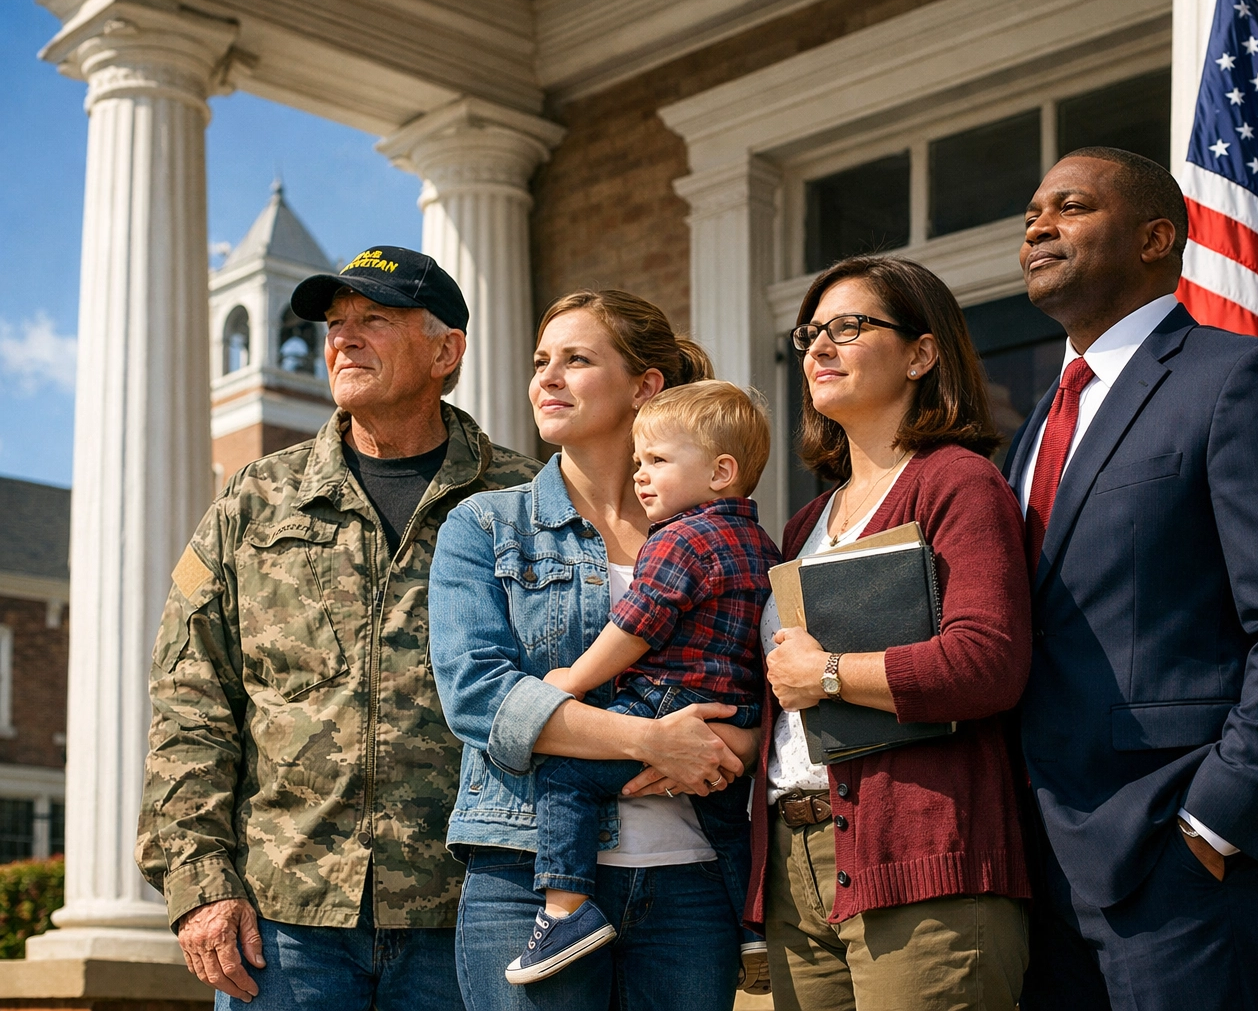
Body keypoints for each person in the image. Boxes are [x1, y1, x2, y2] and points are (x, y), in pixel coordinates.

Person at [1004, 147, 1258, 1010]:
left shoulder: (1238, 380)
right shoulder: (1030, 433)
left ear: (1155, 236)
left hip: (1183, 867)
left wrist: (1222, 816)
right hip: (1038, 868)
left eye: (1070, 208)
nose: (1038, 227)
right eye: (1031, 213)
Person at [137, 246, 541, 1011]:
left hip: (470, 909)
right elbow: (190, 697)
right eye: (335, 324)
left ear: (445, 350)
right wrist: (198, 882)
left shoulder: (520, 499)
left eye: (374, 321)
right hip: (284, 924)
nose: (343, 340)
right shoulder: (256, 500)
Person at [428, 290, 762, 1011]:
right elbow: (479, 693)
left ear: (647, 385)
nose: (547, 377)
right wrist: (652, 741)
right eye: (542, 360)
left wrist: (742, 735)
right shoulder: (486, 525)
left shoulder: (723, 534)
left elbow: (768, 676)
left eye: (576, 359)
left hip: (691, 880)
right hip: (528, 881)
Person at [752, 254, 1032, 1011]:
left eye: (850, 327)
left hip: (923, 858)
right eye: (811, 331)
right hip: (795, 867)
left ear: (921, 352)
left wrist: (832, 675)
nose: (818, 347)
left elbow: (988, 662)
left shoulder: (956, 482)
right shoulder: (805, 522)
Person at [507, 380, 780, 985]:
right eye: (638, 462)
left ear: (720, 470)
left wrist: (571, 681)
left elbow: (637, 625)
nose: (641, 476)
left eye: (657, 461)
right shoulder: (764, 544)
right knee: (727, 818)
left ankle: (565, 912)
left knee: (566, 773)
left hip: (665, 699)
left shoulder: (679, 538)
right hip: (731, 713)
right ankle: (753, 929)